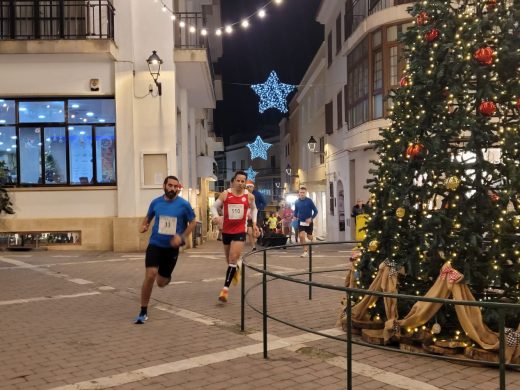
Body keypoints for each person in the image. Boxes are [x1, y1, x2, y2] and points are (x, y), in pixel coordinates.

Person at [135, 175, 197, 324]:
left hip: (171, 248)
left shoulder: (184, 205)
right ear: (164, 186)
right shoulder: (155, 202)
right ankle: (143, 311)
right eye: (170, 185)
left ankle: (165, 277)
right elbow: (148, 217)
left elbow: (193, 222)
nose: (173, 189)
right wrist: (144, 225)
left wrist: (182, 237)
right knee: (150, 275)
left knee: (161, 282)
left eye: (176, 186)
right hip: (155, 244)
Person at [211, 171, 260, 302]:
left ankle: (225, 290)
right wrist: (216, 217)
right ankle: (237, 267)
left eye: (243, 181)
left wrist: (254, 224)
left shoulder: (249, 197)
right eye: (238, 180)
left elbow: (254, 209)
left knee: (232, 258)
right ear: (233, 181)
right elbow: (214, 207)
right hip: (226, 230)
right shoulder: (226, 194)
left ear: (245, 183)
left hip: (240, 231)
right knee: (229, 260)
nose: (240, 183)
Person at [293, 186, 318, 257]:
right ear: (299, 193)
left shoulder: (309, 201)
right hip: (301, 222)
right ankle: (305, 251)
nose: (302, 194)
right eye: (300, 192)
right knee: (301, 236)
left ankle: (313, 238)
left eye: (303, 192)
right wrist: (294, 216)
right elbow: (296, 210)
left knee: (309, 237)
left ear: (306, 193)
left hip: (309, 222)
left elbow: (316, 211)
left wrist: (311, 218)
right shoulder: (297, 202)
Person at [245, 180, 266, 250]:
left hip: (257, 214)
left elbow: (264, 203)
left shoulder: (258, 194)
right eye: (247, 186)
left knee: (255, 233)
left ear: (253, 187)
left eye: (250, 186)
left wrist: (258, 208)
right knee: (250, 231)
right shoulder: (244, 194)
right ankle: (253, 246)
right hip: (247, 215)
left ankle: (259, 232)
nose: (249, 188)